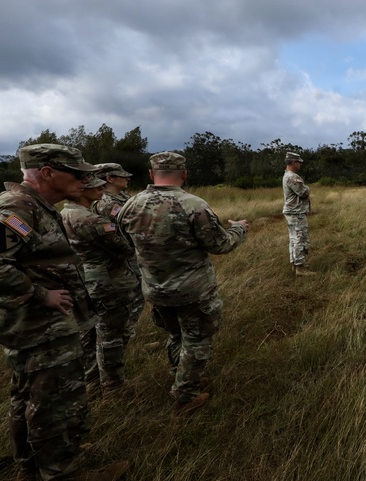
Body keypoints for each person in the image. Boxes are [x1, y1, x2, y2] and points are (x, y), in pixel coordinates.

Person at [0, 144, 128, 481]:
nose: (84, 179)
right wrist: (40, 294)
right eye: (76, 173)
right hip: (39, 324)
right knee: (55, 397)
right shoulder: (18, 207)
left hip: (32, 325)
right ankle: (64, 480)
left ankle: (31, 464)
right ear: (47, 172)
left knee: (29, 392)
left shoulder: (31, 206)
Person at [117, 152, 249, 419]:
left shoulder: (130, 205)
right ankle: (185, 397)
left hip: (155, 290)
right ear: (184, 174)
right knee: (196, 340)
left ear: (152, 174)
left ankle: (180, 376)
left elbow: (125, 243)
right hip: (193, 292)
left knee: (176, 335)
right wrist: (239, 229)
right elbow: (221, 245)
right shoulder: (194, 205)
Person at [61, 174, 137, 397]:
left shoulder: (63, 214)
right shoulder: (93, 221)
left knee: (90, 333)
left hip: (83, 279)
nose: (101, 190)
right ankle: (113, 386)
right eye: (95, 187)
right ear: (81, 191)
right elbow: (125, 248)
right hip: (108, 281)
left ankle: (92, 380)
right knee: (111, 334)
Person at [92, 162, 145, 350]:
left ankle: (124, 339)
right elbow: (132, 225)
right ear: (110, 179)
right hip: (122, 259)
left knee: (135, 298)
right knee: (132, 300)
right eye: (122, 175)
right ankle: (122, 343)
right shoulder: (108, 203)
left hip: (128, 258)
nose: (127, 178)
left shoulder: (119, 197)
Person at [283, 151, 315, 276]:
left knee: (293, 238)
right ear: (293, 162)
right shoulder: (292, 177)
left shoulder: (287, 175)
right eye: (298, 162)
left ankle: (295, 264)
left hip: (292, 212)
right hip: (296, 213)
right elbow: (303, 192)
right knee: (299, 239)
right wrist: (308, 188)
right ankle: (300, 268)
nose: (300, 164)